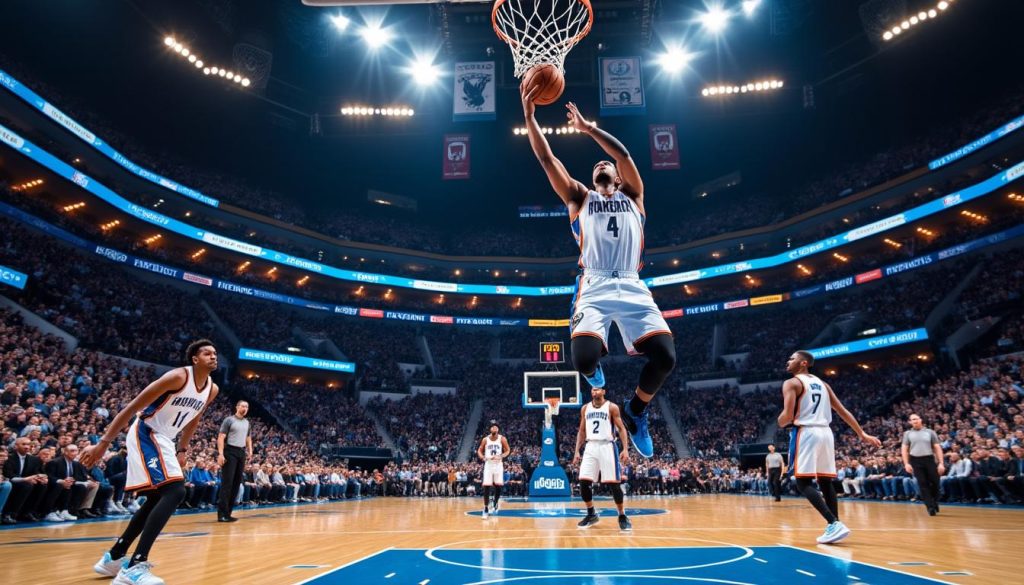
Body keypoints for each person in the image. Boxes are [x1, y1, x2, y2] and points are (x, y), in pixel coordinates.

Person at [520, 87, 675, 458]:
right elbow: (546, 158)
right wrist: (529, 117)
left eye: (604, 166)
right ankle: (597, 377)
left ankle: (637, 412)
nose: (601, 166)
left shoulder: (634, 195)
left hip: (633, 284)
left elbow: (621, 154)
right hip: (595, 282)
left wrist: (589, 129)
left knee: (666, 358)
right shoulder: (579, 198)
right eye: (595, 168)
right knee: (583, 359)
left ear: (617, 178)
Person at [80, 339, 220, 585]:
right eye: (207, 353)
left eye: (215, 353)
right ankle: (134, 567)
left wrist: (183, 449)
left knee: (158, 496)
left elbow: (194, 418)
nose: (213, 356)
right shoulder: (177, 377)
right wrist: (103, 443)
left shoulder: (212, 389)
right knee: (175, 491)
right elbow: (134, 406)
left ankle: (113, 557)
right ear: (195, 359)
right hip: (146, 431)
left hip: (167, 439)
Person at [777, 351, 880, 545]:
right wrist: (862, 434)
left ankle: (833, 522)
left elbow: (787, 417)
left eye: (792, 358)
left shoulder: (791, 383)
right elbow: (843, 411)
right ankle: (835, 525)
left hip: (806, 432)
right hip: (826, 433)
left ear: (804, 363)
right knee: (825, 481)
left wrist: (779, 421)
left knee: (802, 483)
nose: (787, 361)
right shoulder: (823, 385)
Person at [572, 387, 632, 531]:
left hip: (607, 445)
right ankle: (591, 513)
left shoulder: (612, 407)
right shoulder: (585, 408)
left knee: (614, 484)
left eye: (598, 389)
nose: (594, 392)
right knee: (583, 481)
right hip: (590, 445)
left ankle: (622, 515)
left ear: (604, 391)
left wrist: (625, 449)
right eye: (592, 390)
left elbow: (622, 429)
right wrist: (576, 451)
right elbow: (581, 431)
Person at [901, 413, 945, 516]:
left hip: (929, 459)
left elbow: (937, 448)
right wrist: (906, 463)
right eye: (912, 420)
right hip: (915, 460)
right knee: (922, 483)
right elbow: (904, 449)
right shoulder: (907, 434)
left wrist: (941, 463)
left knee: (935, 482)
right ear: (910, 422)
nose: (914, 421)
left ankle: (934, 502)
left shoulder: (930, 432)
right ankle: (930, 507)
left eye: (916, 419)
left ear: (921, 420)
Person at [217, 399, 252, 522]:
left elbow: (248, 438)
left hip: (241, 452)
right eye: (243, 406)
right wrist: (221, 454)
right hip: (230, 451)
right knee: (227, 483)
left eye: (247, 407)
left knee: (236, 483)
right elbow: (221, 437)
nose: (245, 408)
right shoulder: (229, 420)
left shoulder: (247, 422)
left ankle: (228, 513)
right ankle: (221, 514)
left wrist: (250, 450)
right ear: (237, 407)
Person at [477, 423, 510, 519]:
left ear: (498, 429)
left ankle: (495, 503)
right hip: (488, 464)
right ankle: (486, 508)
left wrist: (501, 456)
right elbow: (479, 450)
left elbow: (508, 450)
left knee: (498, 486)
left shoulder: (502, 439)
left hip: (498, 464)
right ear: (490, 429)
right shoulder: (485, 439)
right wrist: (482, 457)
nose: (494, 428)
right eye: (492, 426)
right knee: (486, 486)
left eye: (496, 426)